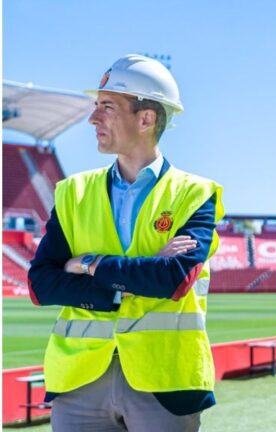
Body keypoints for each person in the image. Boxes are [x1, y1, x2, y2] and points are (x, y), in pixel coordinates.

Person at [28, 54, 224, 431]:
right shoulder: (73, 192)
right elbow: (41, 284)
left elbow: (174, 279)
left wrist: (88, 265)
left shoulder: (196, 193)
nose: (92, 118)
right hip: (78, 381)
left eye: (107, 107)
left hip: (165, 383)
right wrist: (121, 291)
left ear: (146, 118)